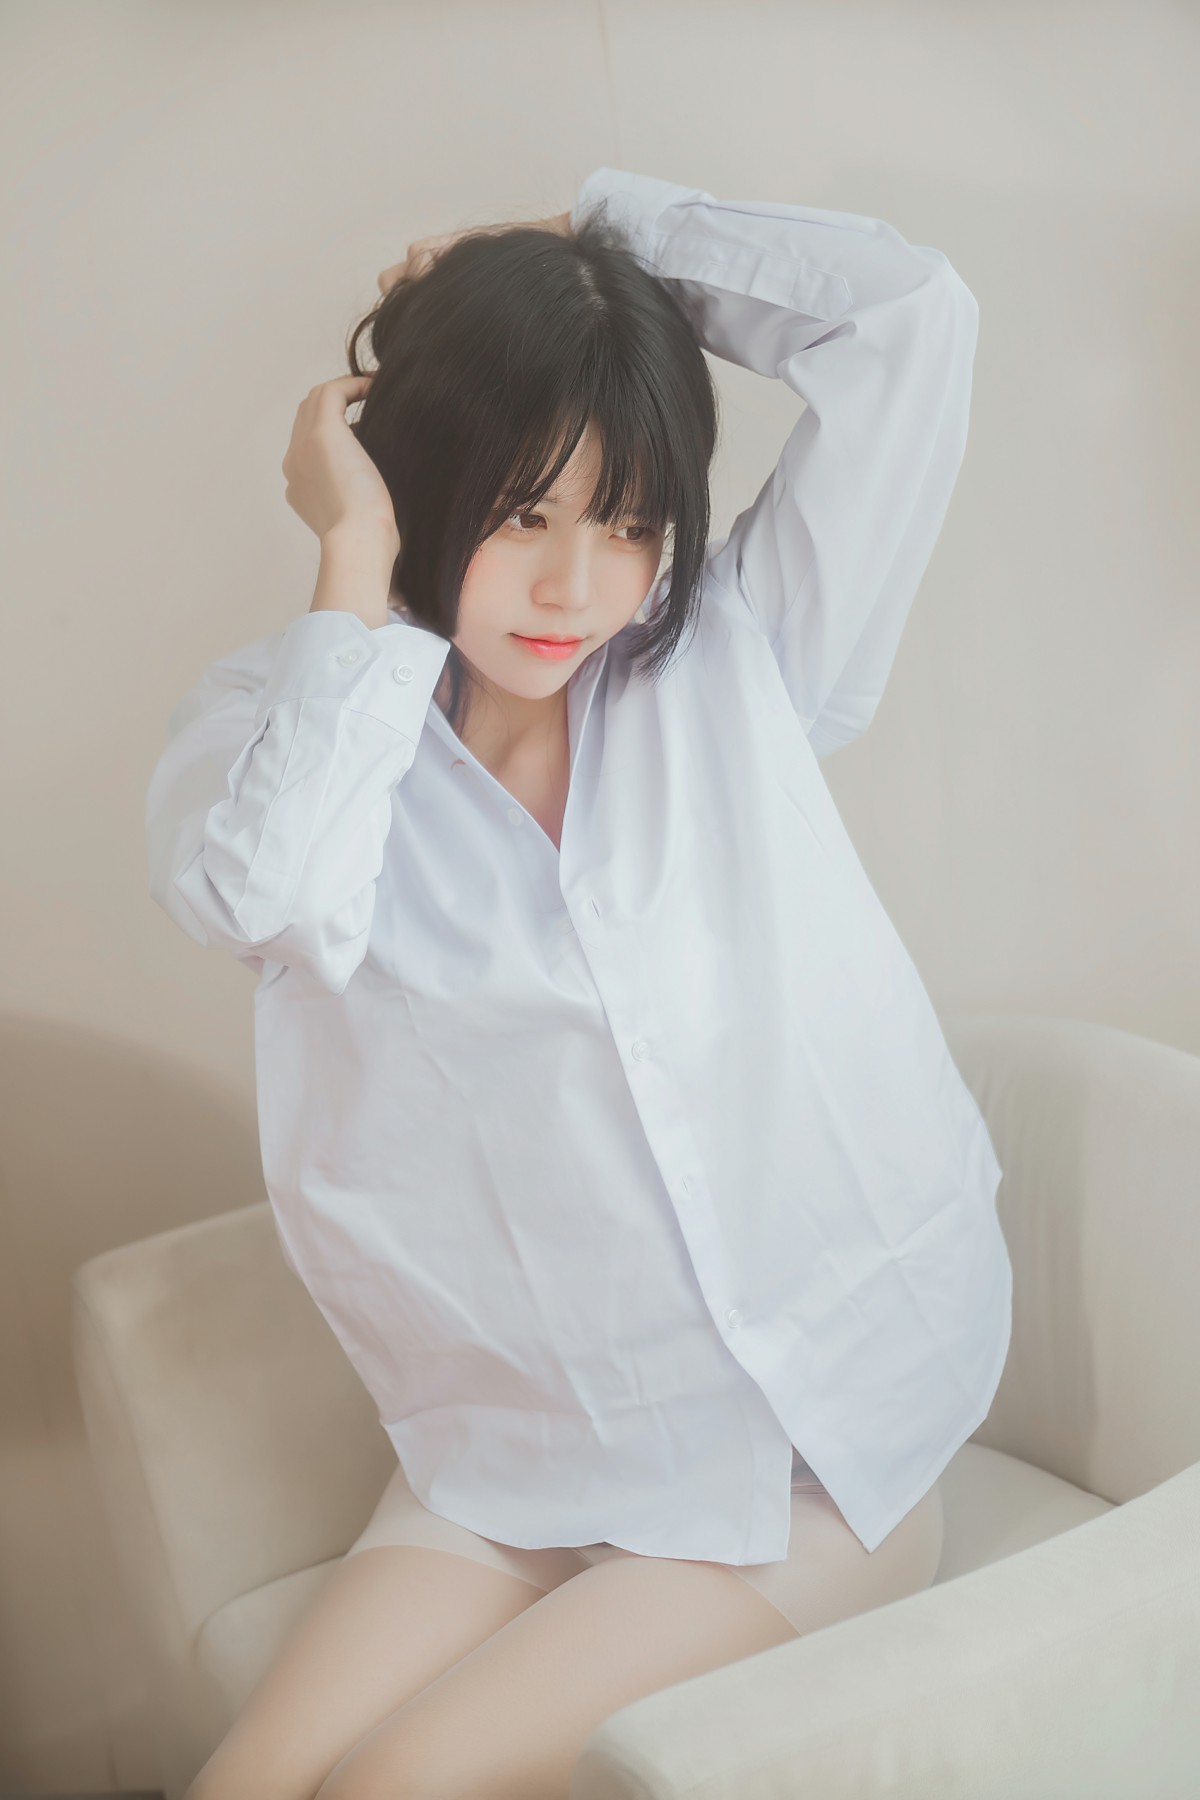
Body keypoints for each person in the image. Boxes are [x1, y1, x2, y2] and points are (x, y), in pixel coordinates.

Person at [150, 166, 1007, 1800]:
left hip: (810, 1451)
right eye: (519, 515)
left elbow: (912, 319)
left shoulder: (739, 659)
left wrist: (602, 239)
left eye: (627, 523)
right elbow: (274, 898)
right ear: (414, 482)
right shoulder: (291, 726)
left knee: (392, 1786)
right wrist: (355, 552)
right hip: (526, 1447)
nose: (575, 589)